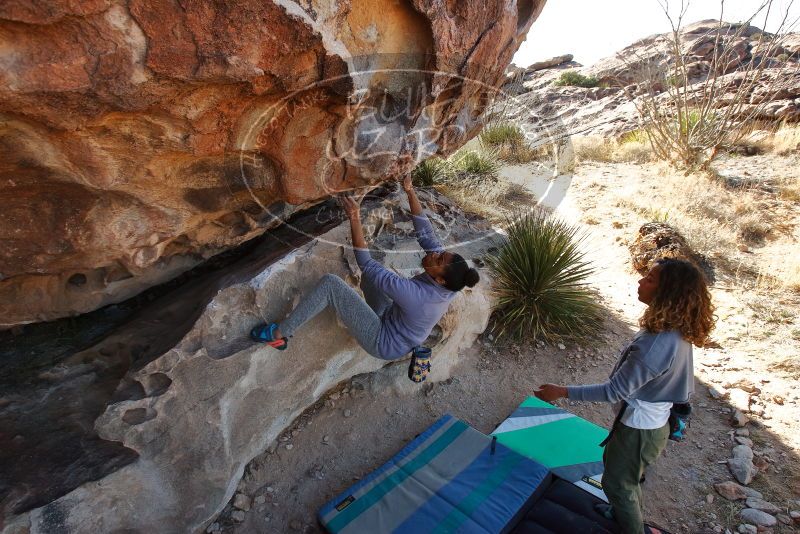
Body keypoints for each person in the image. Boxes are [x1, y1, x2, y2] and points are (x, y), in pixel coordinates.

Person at [534, 258, 715, 534]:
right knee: (626, 477)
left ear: (668, 293)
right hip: (648, 425)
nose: (641, 281)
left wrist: (561, 391)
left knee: (617, 485)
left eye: (651, 279)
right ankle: (621, 512)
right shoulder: (673, 328)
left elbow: (613, 391)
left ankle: (631, 526)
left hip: (639, 429)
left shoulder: (654, 345)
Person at [250, 175, 480, 368]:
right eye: (439, 254)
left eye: (437, 259)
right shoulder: (450, 280)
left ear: (439, 280)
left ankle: (279, 335)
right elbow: (427, 235)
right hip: (394, 316)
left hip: (383, 341)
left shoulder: (419, 298)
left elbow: (366, 264)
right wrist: (409, 190)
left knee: (332, 284)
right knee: (376, 278)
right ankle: (366, 317)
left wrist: (354, 217)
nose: (433, 254)